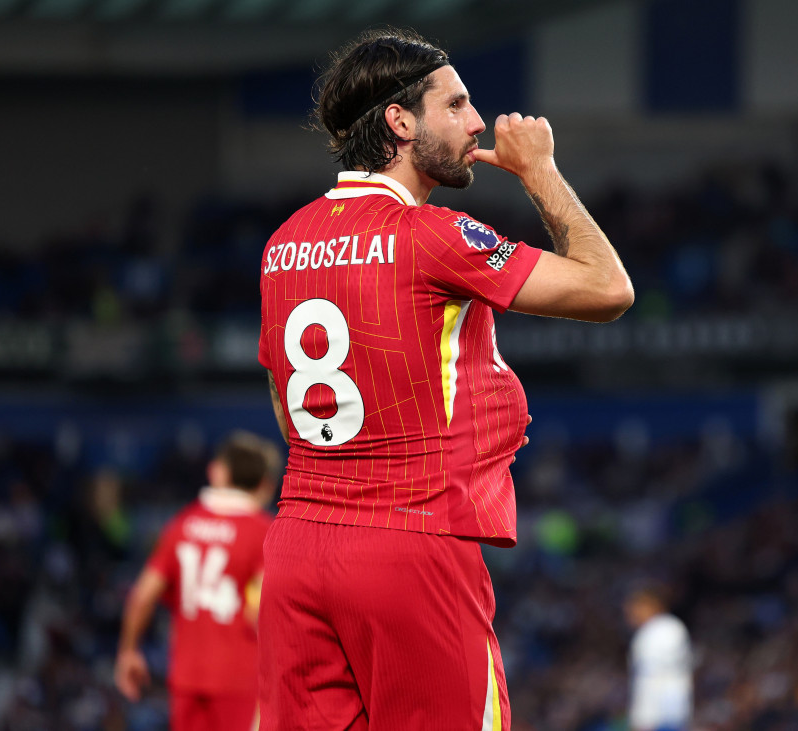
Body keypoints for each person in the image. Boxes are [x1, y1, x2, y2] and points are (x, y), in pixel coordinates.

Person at [256, 28, 633, 731]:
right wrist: (539, 172)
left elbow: (283, 400)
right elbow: (607, 288)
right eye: (455, 105)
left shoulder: (284, 243)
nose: (477, 122)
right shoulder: (435, 235)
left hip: (297, 544)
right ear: (400, 122)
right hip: (409, 541)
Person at [114, 432, 278, 731]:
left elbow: (142, 595)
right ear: (264, 484)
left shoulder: (182, 524)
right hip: (240, 679)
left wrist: (128, 650)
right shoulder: (264, 533)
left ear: (218, 472)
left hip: (187, 677)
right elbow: (262, 612)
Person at [623, 586, 693, 731]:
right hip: (670, 712)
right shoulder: (670, 628)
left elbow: (653, 679)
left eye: (634, 609)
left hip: (660, 715)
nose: (630, 615)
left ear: (650, 605)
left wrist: (644, 718)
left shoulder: (659, 631)